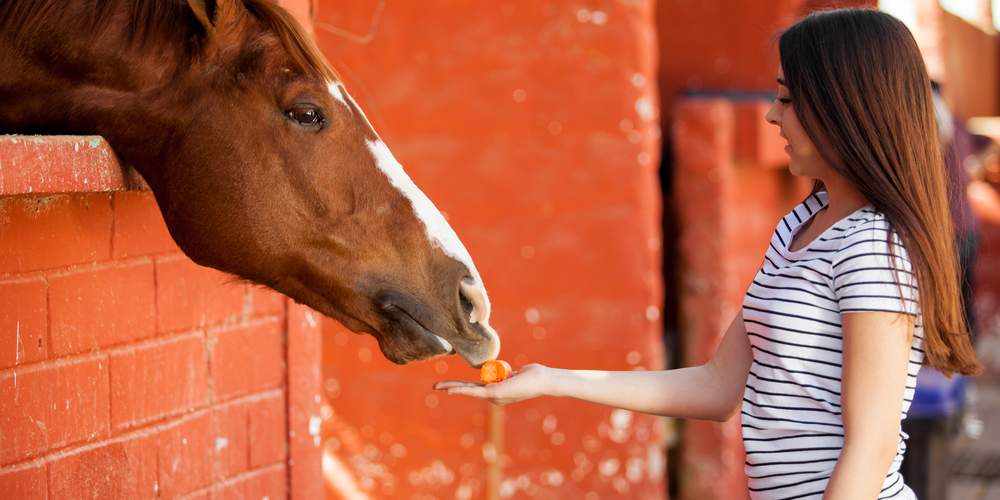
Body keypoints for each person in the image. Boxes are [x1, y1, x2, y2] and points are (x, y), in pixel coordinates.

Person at [434, 8, 982, 499]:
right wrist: (550, 379)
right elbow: (718, 386)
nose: (771, 116)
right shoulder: (801, 225)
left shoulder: (870, 245)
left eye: (787, 100)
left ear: (843, 108)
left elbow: (872, 444)